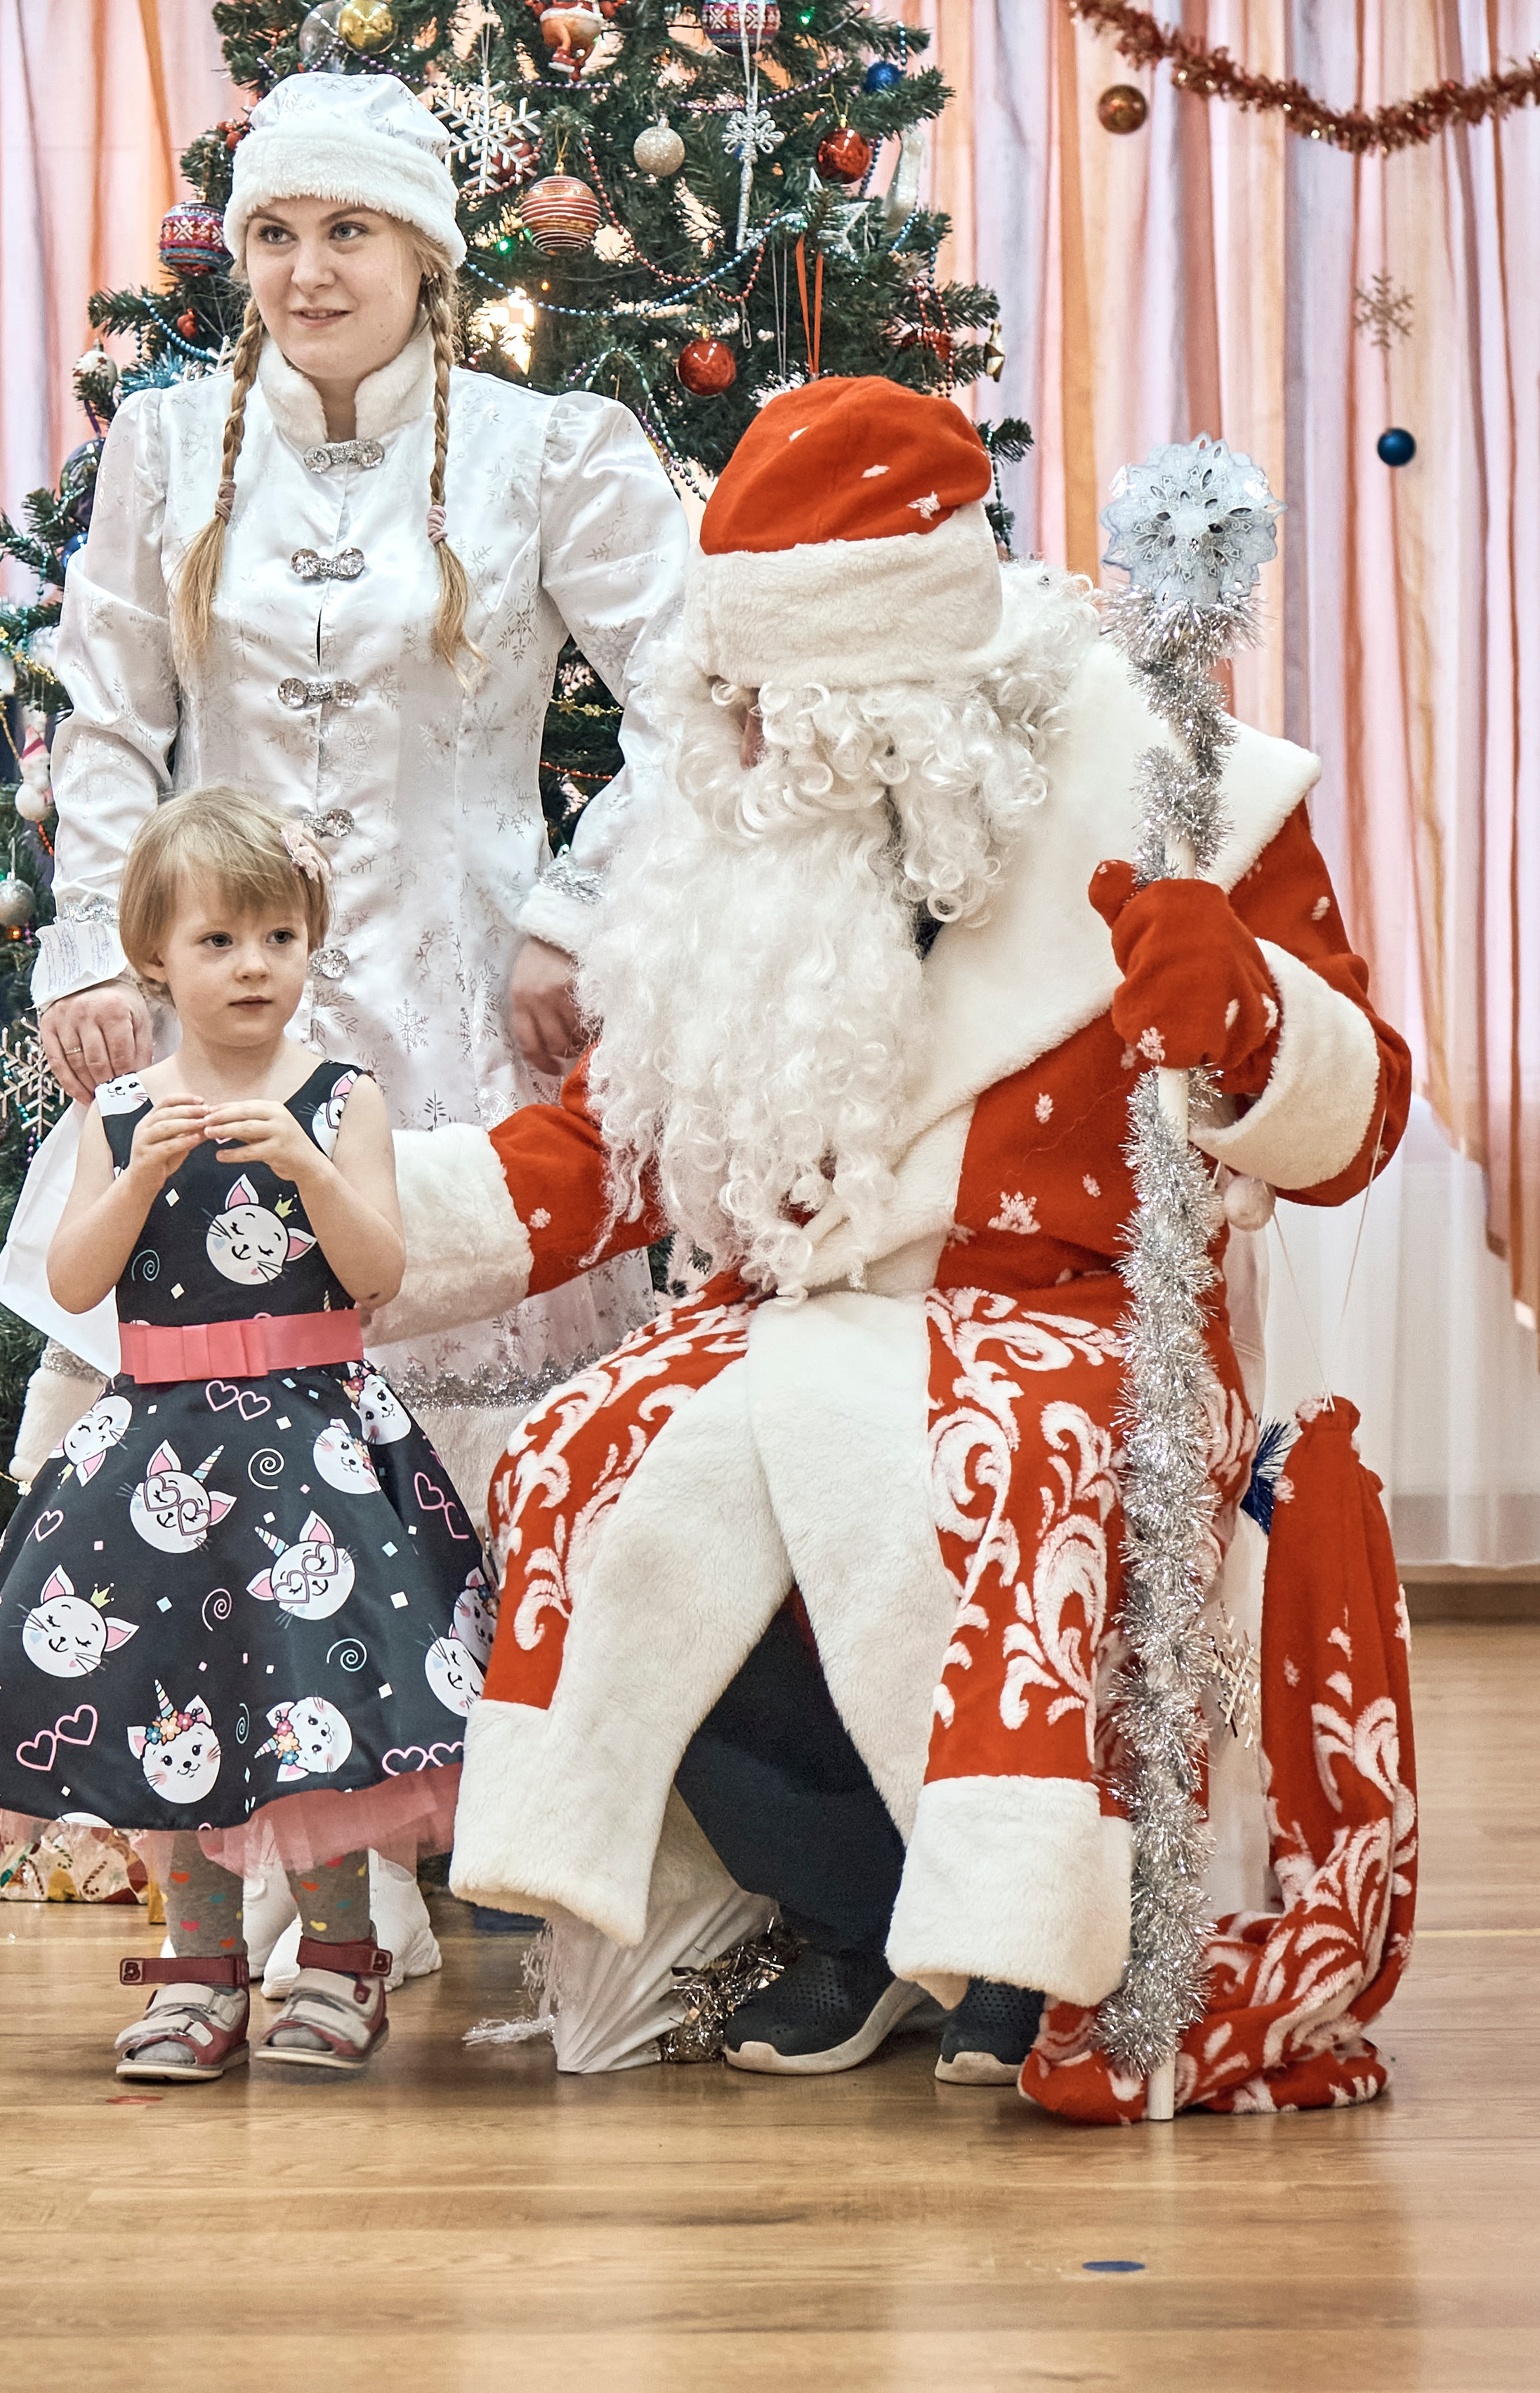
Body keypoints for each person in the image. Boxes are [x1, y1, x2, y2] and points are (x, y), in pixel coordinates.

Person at [365, 377, 1419, 2116]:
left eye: (790, 699)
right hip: (789, 1304)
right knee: (577, 1464)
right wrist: (356, 1217)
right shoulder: (746, 826)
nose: (750, 733)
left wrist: (1239, 1017)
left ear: (906, 690)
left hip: (1068, 1313)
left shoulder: (1185, 797)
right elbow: (607, 1139)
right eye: (740, 690)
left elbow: (1358, 1116)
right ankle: (865, 1911)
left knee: (998, 1470)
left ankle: (1021, 1937)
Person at [0, 69, 685, 1525]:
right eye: (274, 234)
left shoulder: (545, 450)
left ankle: (487, 1754)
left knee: (480, 1473)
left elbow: (703, 705)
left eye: (348, 231)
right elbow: (108, 727)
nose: (305, 274)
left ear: (424, 253)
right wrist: (97, 964)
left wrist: (579, 919)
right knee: (175, 1453)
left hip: (468, 1014)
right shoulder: (167, 448)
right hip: (207, 1027)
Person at [0, 789, 489, 2081]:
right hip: (158, 1454)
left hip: (314, 1452)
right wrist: (132, 1179)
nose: (253, 968)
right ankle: (196, 1977)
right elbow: (73, 1284)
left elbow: (378, 1271)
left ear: (308, 948)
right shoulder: (120, 1111)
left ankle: (343, 1968)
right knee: (162, 1702)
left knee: (320, 1719)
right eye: (220, 943)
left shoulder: (342, 1101)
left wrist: (310, 1169)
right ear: (155, 962)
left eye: (279, 938)